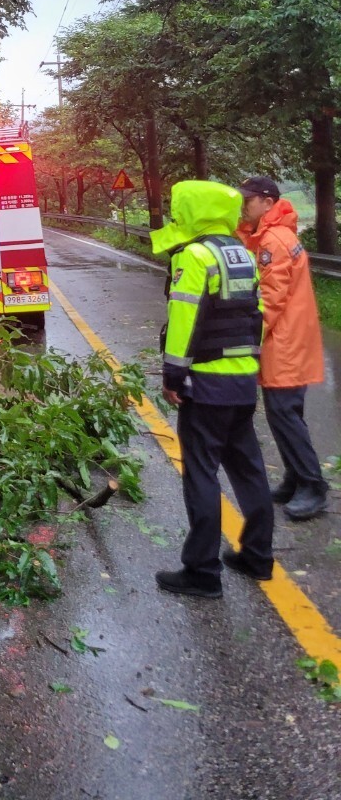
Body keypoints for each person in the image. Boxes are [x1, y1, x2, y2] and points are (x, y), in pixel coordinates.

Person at [151, 180, 274, 598]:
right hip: (242, 380)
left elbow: (184, 321)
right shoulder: (242, 254)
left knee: (201, 473)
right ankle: (257, 556)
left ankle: (202, 572)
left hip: (205, 382)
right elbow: (256, 315)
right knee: (248, 470)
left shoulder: (195, 255)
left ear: (194, 211)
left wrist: (172, 376)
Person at [238, 175, 328, 521]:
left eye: (249, 200)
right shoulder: (273, 235)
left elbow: (269, 298)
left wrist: (250, 338)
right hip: (288, 338)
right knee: (285, 414)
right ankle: (295, 478)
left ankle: (313, 485)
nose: (243, 205)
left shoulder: (273, 241)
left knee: (284, 414)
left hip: (284, 341)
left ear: (268, 202)